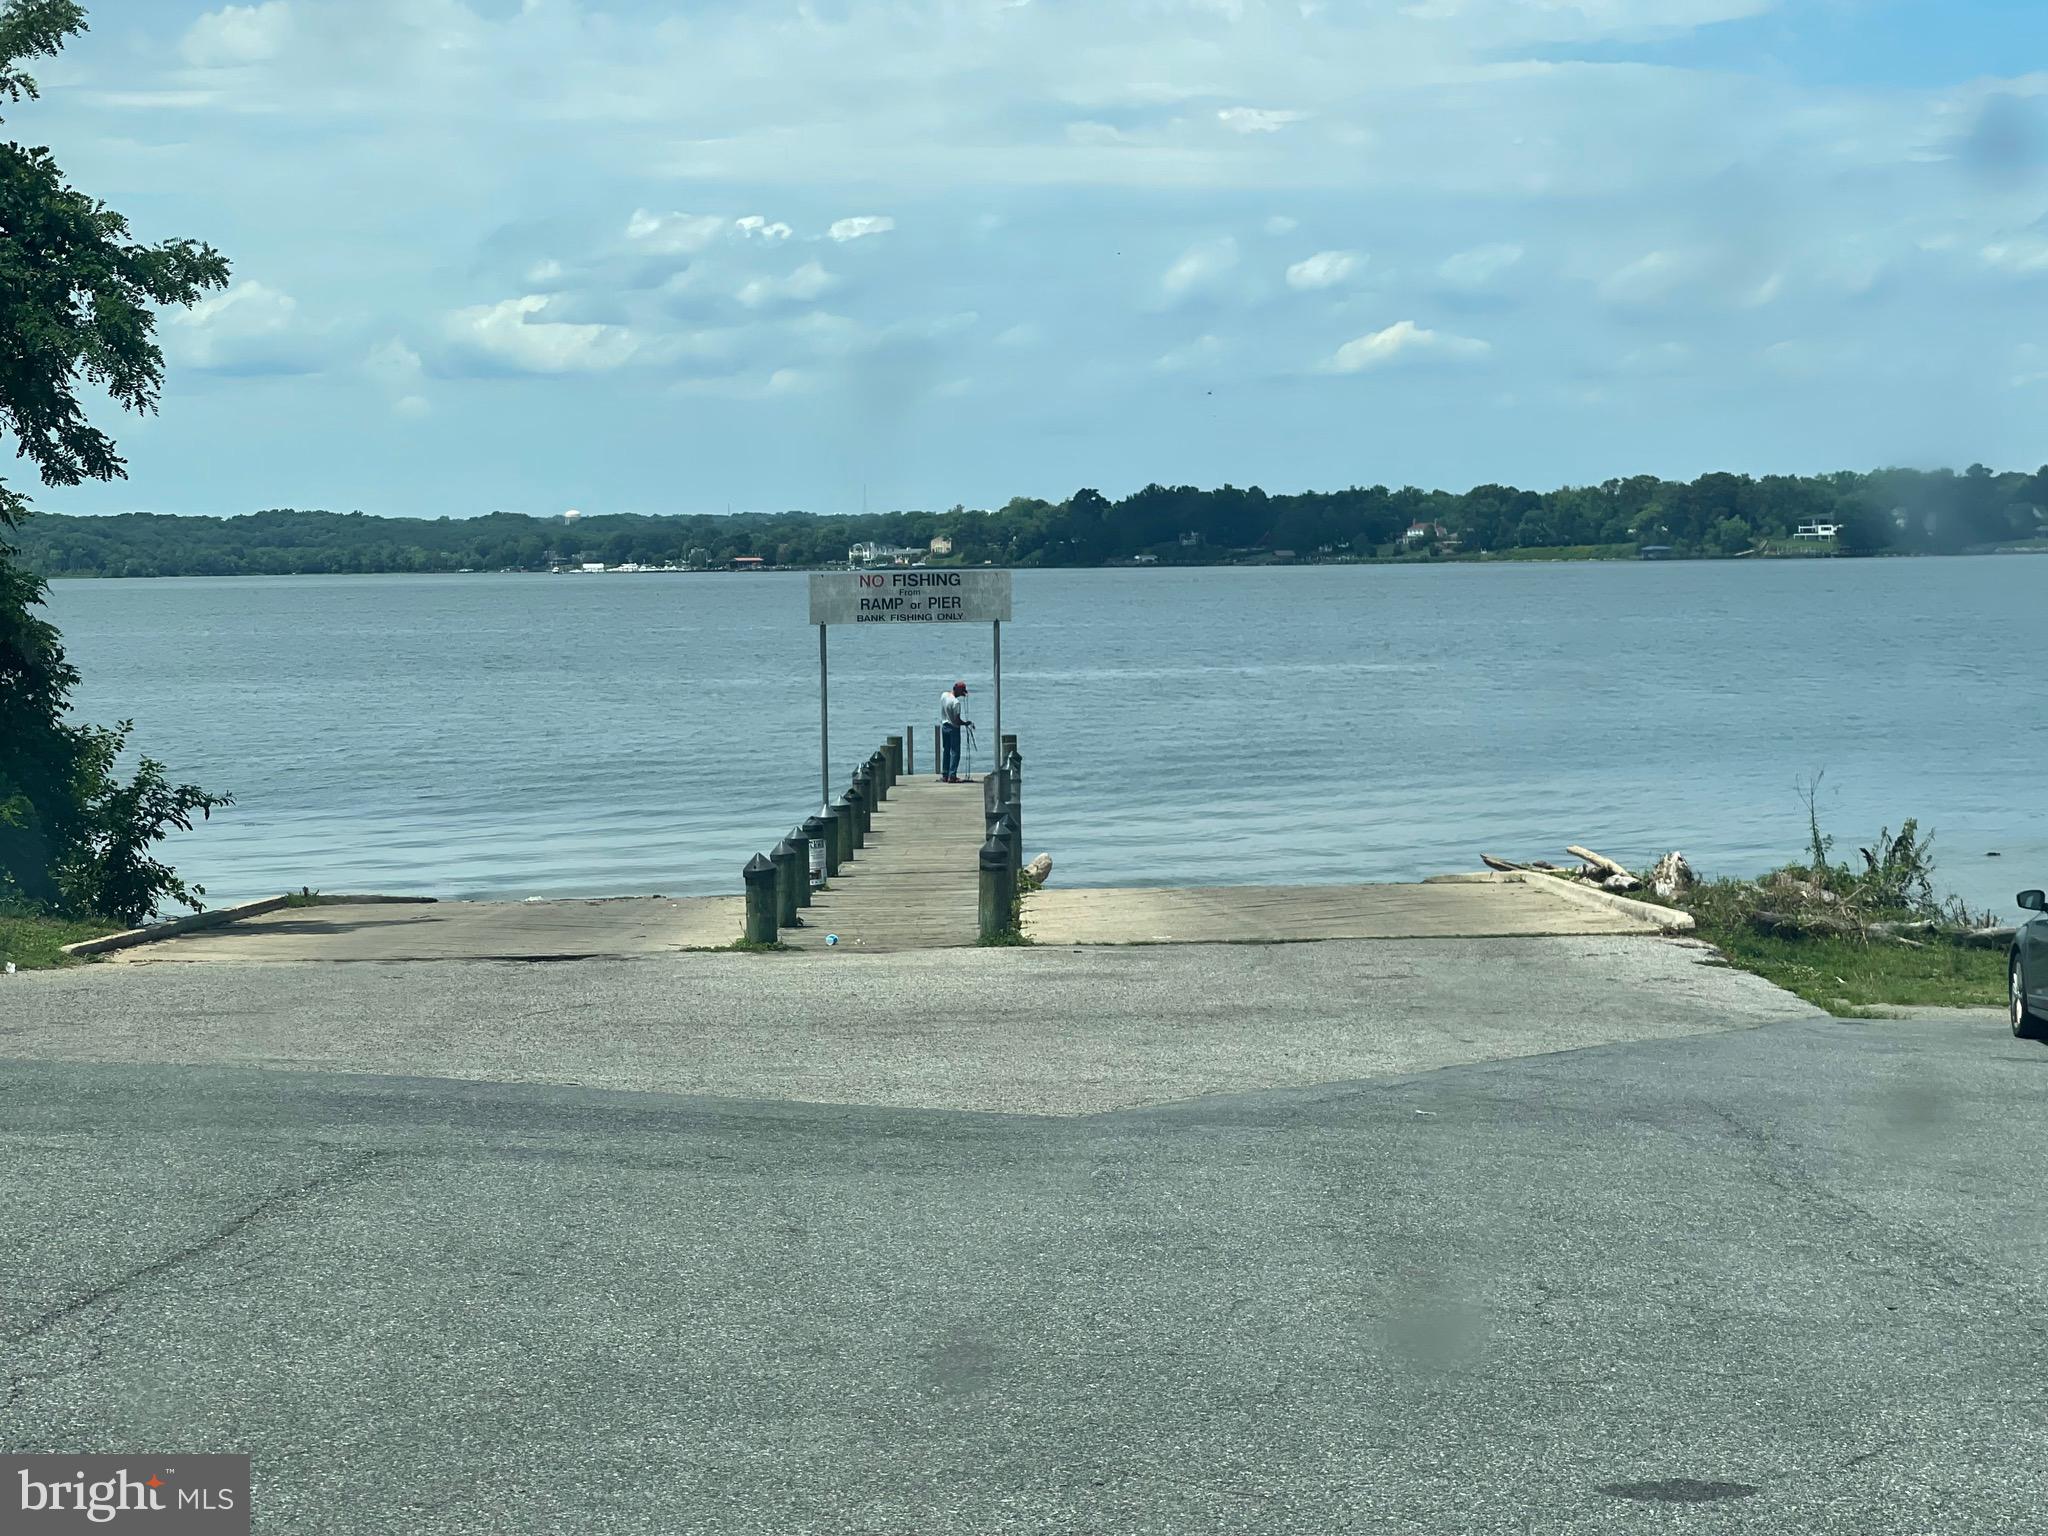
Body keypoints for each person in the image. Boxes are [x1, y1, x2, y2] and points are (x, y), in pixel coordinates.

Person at [938, 680, 971, 782]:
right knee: (955, 752)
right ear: (958, 690)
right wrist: (965, 723)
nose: (962, 695)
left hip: (944, 726)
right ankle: (952, 776)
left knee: (946, 751)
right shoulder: (956, 703)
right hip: (953, 728)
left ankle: (945, 774)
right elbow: (956, 720)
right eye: (962, 693)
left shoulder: (944, 695)